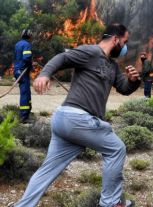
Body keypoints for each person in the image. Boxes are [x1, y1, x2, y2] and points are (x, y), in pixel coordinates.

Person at [13, 23, 139, 207]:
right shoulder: (90, 52)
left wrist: (133, 81)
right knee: (116, 149)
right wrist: (44, 74)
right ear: (115, 39)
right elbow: (62, 58)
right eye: (125, 42)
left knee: (47, 171)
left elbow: (124, 88)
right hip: (77, 118)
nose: (125, 47)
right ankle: (111, 203)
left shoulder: (112, 66)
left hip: (67, 124)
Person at [14, 29, 33, 123]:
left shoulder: (18, 44)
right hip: (23, 72)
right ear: (29, 36)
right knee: (25, 93)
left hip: (17, 70)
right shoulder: (27, 44)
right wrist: (30, 65)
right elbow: (26, 58)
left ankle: (27, 112)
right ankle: (24, 117)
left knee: (26, 92)